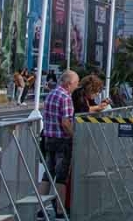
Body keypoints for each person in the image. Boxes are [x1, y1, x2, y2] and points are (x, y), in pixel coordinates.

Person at [41, 70, 79, 218]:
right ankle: (60, 210)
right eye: (76, 83)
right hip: (62, 141)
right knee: (61, 177)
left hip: (48, 138)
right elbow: (65, 123)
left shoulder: (51, 94)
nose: (76, 86)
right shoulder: (65, 97)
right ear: (69, 84)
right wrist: (75, 136)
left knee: (47, 174)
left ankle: (40, 209)